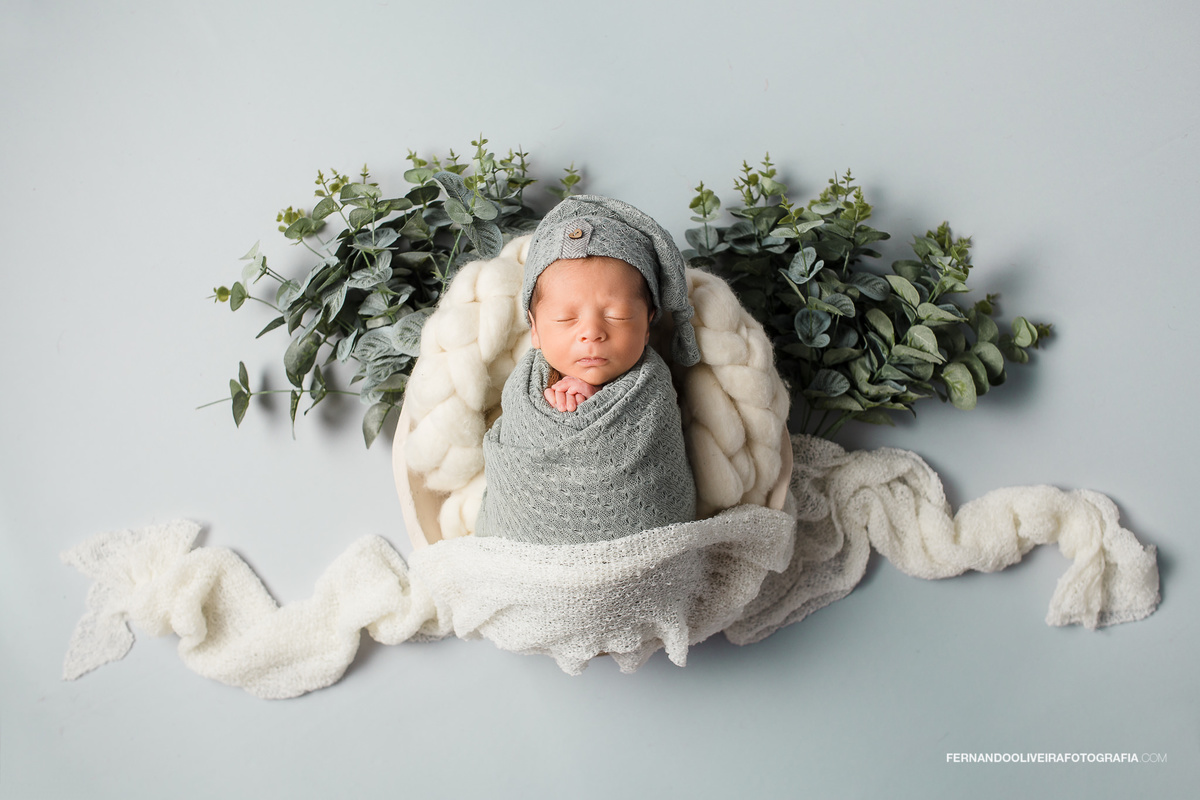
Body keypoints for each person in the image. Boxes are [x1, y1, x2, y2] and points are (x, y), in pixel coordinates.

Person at [474, 195, 701, 544]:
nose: (592, 332)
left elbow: (658, 466)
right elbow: (518, 466)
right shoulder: (525, 388)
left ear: (647, 324)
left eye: (618, 316)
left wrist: (595, 399)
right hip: (521, 554)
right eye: (566, 319)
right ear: (535, 328)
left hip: (647, 551)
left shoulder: (651, 385)